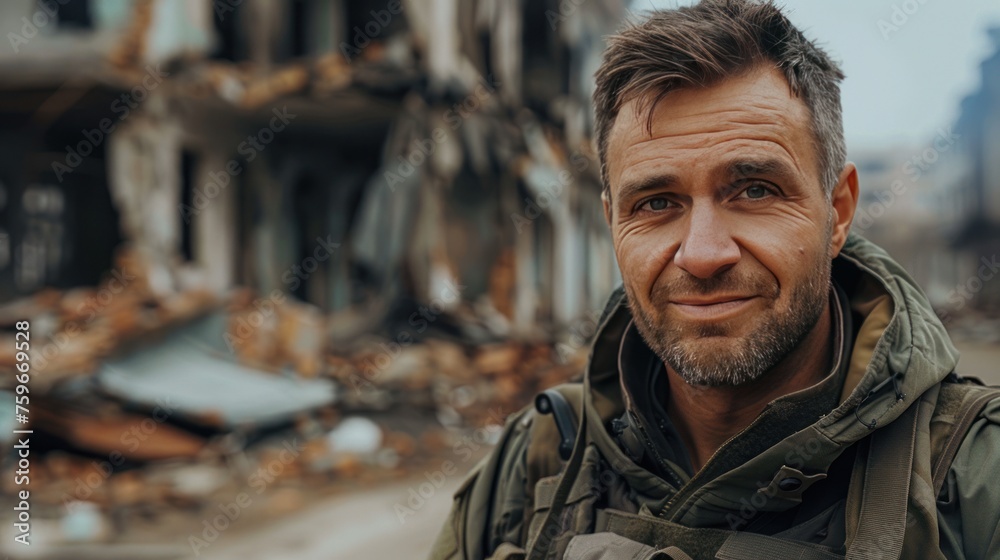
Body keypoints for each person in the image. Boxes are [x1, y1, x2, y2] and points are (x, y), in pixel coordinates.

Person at [429, 1, 1000, 558]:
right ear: (612, 223)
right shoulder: (532, 463)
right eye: (656, 202)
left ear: (839, 210)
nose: (702, 255)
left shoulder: (978, 480)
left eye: (755, 190)